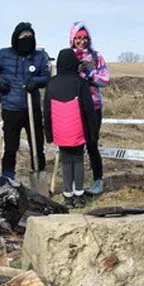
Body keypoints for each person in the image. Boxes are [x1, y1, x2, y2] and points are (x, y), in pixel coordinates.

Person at [0, 22, 51, 184]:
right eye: (23, 36)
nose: (27, 39)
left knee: (37, 145)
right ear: (15, 38)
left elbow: (47, 77)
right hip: (11, 108)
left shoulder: (40, 57)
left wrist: (36, 81)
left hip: (32, 108)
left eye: (29, 36)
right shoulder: (4, 55)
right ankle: (8, 178)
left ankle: (39, 177)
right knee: (11, 147)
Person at [43, 49, 97, 208]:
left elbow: (46, 110)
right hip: (77, 128)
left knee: (66, 161)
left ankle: (68, 197)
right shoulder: (80, 82)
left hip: (60, 130)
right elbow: (88, 109)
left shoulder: (51, 83)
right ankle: (79, 196)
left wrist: (49, 134)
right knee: (78, 160)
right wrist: (92, 131)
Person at [69, 22, 110, 195]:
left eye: (85, 38)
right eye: (78, 38)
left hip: (93, 106)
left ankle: (98, 180)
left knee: (92, 144)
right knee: (74, 144)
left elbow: (105, 80)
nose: (82, 41)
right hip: (73, 105)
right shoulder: (68, 56)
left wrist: (90, 75)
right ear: (72, 39)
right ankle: (74, 182)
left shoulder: (96, 56)